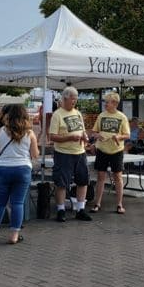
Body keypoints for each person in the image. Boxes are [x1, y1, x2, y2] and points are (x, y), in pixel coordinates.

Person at [0, 104, 39, 244]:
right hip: (22, 170)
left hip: (2, 169)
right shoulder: (30, 133)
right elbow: (34, 154)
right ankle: (14, 235)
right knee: (17, 203)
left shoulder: (1, 131)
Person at [49, 86, 92, 222]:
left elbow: (83, 130)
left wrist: (85, 137)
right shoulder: (57, 114)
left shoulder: (77, 113)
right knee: (61, 182)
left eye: (76, 99)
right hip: (63, 153)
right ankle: (61, 210)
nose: (74, 102)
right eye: (72, 99)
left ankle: (80, 209)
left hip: (80, 152)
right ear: (65, 98)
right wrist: (69, 138)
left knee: (83, 180)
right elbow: (52, 137)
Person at [89, 92, 130, 215]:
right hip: (102, 150)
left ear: (115, 103)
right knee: (100, 176)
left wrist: (118, 137)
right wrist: (97, 136)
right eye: (105, 102)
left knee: (117, 177)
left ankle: (119, 204)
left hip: (116, 151)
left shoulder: (122, 117)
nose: (105, 104)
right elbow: (94, 132)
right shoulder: (101, 116)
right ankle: (97, 204)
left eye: (108, 102)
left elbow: (127, 135)